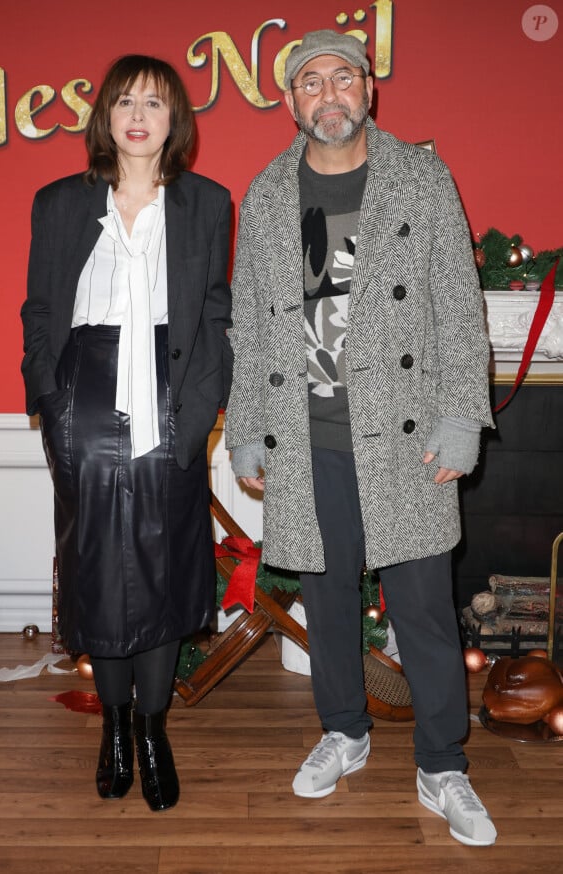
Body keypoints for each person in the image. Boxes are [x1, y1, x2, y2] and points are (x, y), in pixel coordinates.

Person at [225, 30, 497, 846]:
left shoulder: (420, 176)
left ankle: (442, 763)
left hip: (407, 434)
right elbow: (248, 321)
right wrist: (247, 430)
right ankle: (344, 730)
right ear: (291, 102)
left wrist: (460, 420)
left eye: (344, 77)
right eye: (311, 82)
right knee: (327, 601)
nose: (329, 93)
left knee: (423, 609)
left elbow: (458, 302)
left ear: (369, 90)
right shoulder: (269, 192)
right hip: (306, 439)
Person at [21, 54, 232, 812]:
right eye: (124, 101)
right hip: (84, 389)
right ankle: (112, 725)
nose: (138, 113)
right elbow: (40, 311)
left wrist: (202, 404)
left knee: (167, 564)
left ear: (175, 120)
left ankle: (153, 728)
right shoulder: (60, 203)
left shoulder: (207, 204)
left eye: (154, 101)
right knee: (96, 569)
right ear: (105, 117)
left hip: (172, 390)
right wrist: (47, 394)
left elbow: (213, 317)